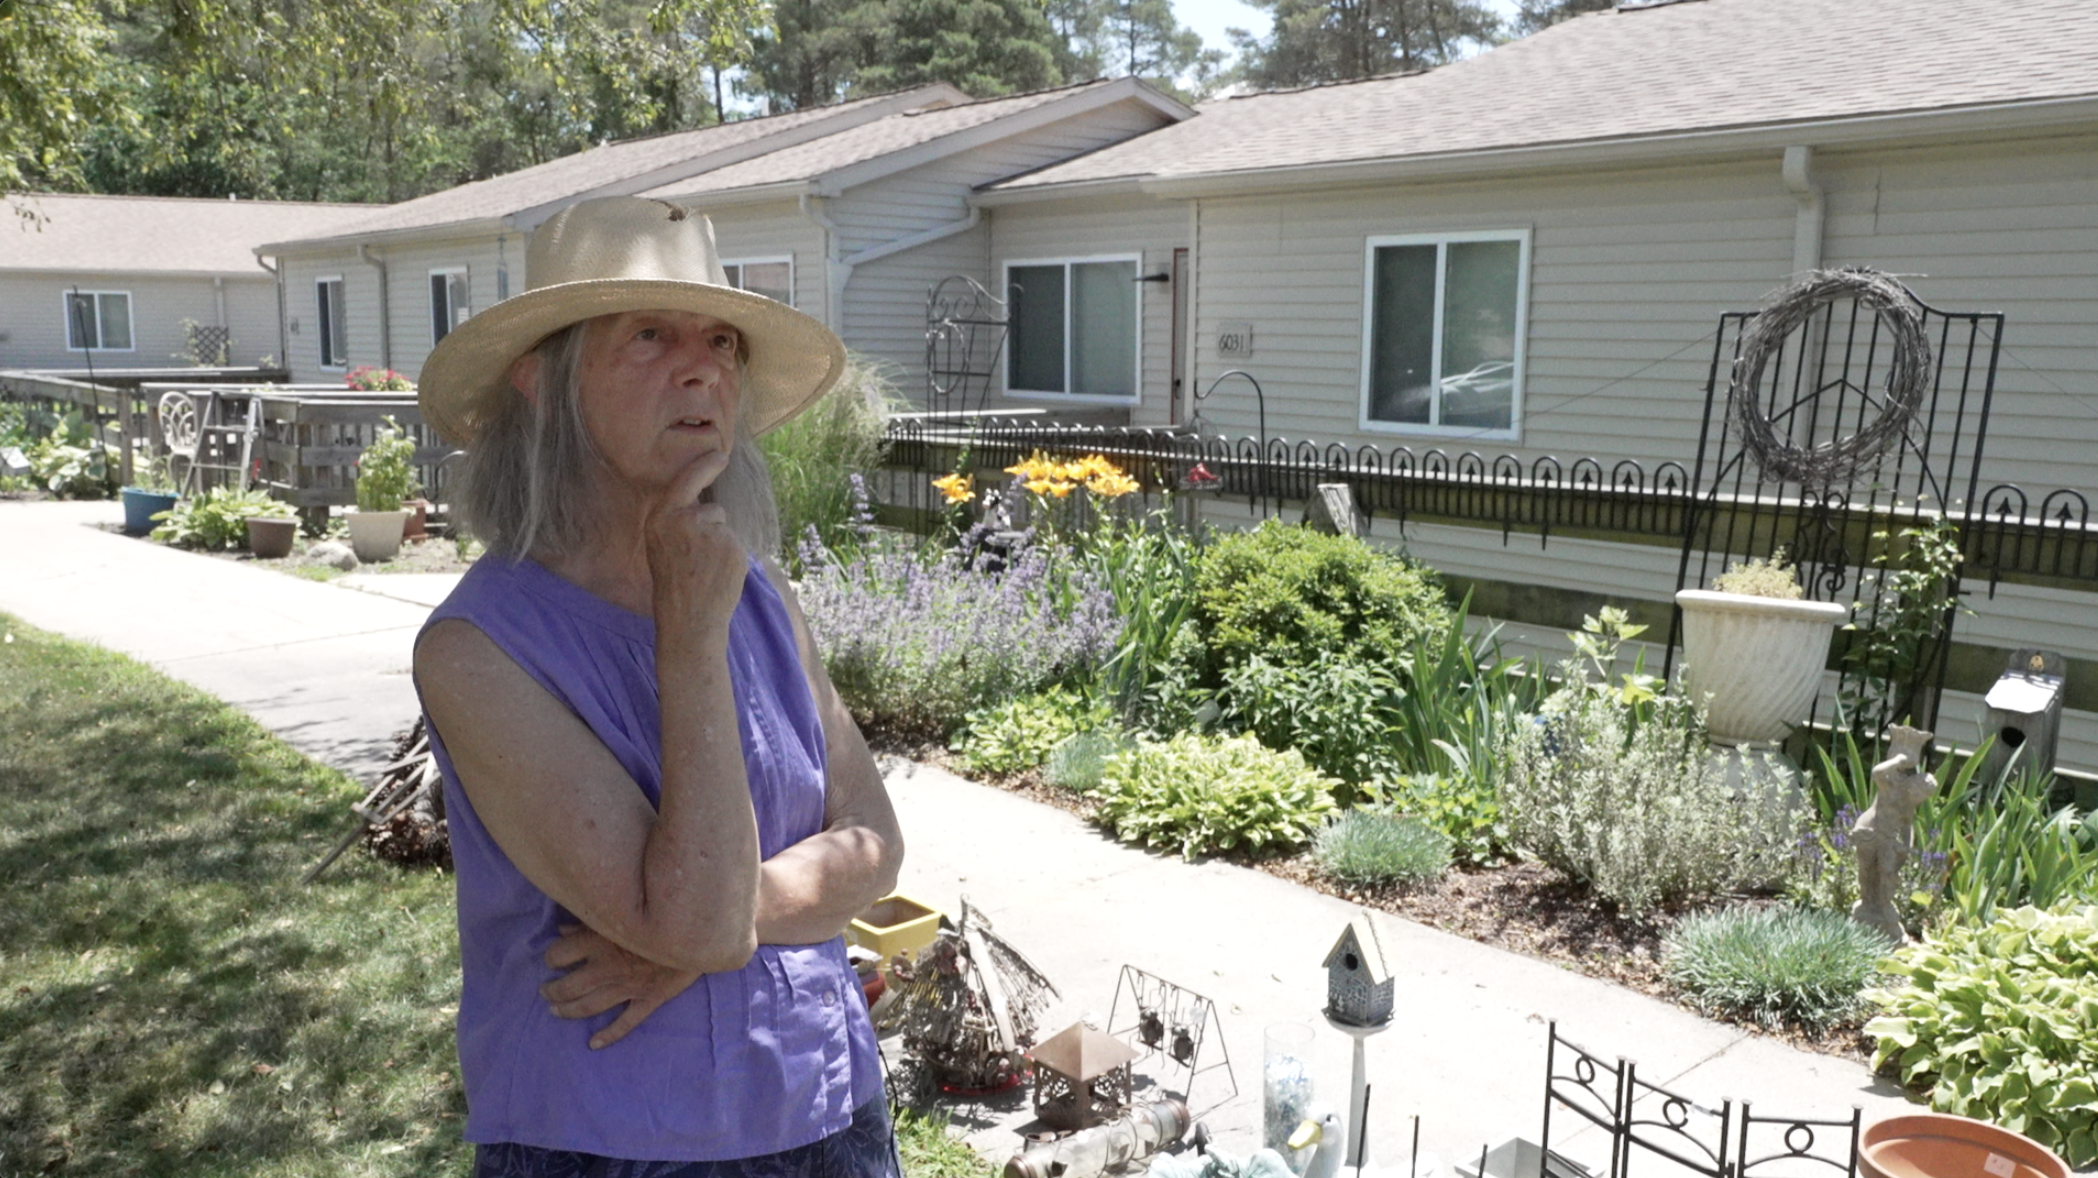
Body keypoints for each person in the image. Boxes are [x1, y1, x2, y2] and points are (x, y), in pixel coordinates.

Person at [411, 195, 905, 1176]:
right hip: (609, 1142)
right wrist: (688, 639)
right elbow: (696, 920)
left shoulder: (759, 592)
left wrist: (722, 925)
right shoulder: (476, 648)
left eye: (720, 340)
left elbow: (873, 842)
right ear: (542, 380)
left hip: (828, 1103)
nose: (701, 368)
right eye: (649, 334)